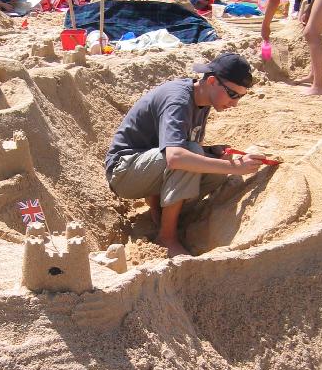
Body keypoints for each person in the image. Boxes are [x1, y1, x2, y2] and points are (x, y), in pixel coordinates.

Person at [104, 53, 265, 257]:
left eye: (240, 97)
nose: (235, 103)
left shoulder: (203, 100)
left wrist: (213, 152)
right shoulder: (178, 99)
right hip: (124, 172)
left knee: (213, 163)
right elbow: (175, 157)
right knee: (191, 156)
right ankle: (167, 237)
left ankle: (163, 211)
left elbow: (180, 144)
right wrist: (235, 167)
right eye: (232, 94)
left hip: (149, 165)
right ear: (212, 81)